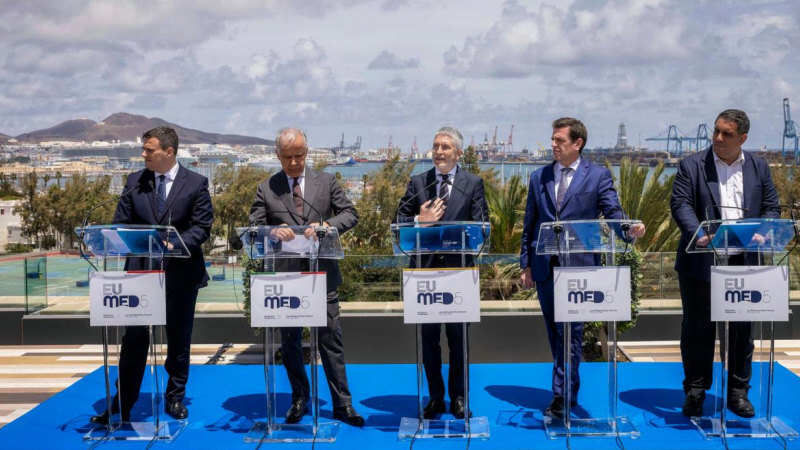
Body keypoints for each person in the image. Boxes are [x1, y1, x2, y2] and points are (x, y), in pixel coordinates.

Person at [519, 117, 645, 419]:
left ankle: (562, 395)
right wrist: (526, 265)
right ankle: (567, 390)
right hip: (545, 267)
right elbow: (530, 224)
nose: (553, 144)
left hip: (579, 269)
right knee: (555, 333)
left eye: (559, 140)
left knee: (571, 332)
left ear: (578, 143)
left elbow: (613, 211)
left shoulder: (597, 176)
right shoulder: (538, 177)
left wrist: (628, 230)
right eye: (552, 139)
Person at [91, 126, 213, 424]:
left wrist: (175, 244)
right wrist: (119, 238)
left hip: (181, 274)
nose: (143, 154)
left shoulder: (196, 183)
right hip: (141, 274)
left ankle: (174, 397)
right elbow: (121, 224)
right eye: (143, 149)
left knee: (178, 338)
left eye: (149, 149)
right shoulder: (135, 182)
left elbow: (201, 227)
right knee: (134, 338)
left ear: (168, 152)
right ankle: (123, 402)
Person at [248, 127, 364, 426]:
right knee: (290, 343)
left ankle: (343, 404)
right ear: (278, 155)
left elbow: (350, 214)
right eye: (288, 157)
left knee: (330, 341)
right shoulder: (266, 188)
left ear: (307, 152)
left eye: (299, 155)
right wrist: (272, 232)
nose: (294, 162)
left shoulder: (326, 181)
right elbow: (254, 228)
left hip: (322, 275)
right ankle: (299, 398)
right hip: (286, 279)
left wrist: (327, 225)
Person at [670, 109, 780, 418]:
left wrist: (762, 231)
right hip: (702, 260)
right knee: (697, 329)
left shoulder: (759, 167)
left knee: (742, 331)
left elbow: (771, 207)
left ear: (742, 138)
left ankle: (738, 392)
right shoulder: (691, 165)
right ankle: (695, 391)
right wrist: (700, 235)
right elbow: (680, 204)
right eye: (716, 131)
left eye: (726, 134)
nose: (718, 137)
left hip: (746, 262)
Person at [395, 126, 488, 420]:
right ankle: (435, 397)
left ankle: (459, 397)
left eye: (445, 147)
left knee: (459, 340)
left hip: (459, 274)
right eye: (435, 146)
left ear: (458, 153)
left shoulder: (473, 184)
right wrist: (419, 220)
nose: (438, 151)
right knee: (428, 340)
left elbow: (483, 228)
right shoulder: (418, 182)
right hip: (424, 276)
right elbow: (398, 222)